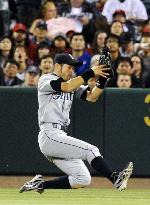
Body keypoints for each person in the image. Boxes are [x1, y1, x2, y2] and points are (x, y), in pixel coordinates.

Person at [19, 52, 133, 193]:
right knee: (91, 150)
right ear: (57, 66)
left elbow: (92, 97)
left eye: (73, 68)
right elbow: (66, 87)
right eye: (69, 67)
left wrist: (103, 78)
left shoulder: (72, 83)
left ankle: (40, 185)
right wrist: (91, 71)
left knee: (83, 179)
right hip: (49, 134)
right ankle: (115, 178)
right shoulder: (45, 79)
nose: (72, 70)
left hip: (59, 136)